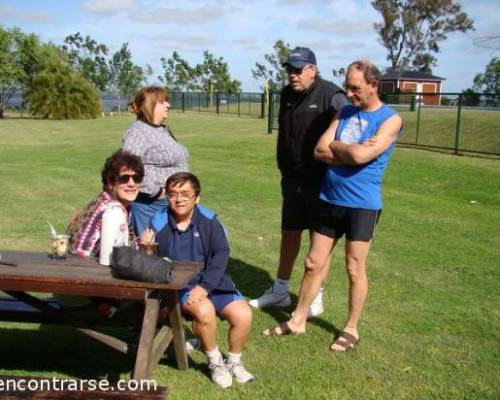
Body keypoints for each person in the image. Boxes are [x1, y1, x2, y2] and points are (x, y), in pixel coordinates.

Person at [263, 60, 403, 354]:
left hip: (362, 205)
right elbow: (320, 150)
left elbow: (364, 157)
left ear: (373, 85)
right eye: (348, 87)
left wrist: (343, 150)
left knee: (354, 267)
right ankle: (298, 319)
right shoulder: (344, 113)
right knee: (313, 263)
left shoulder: (391, 120)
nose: (350, 94)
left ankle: (351, 328)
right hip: (329, 198)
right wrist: (350, 151)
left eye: (355, 88)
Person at [249, 47, 349, 316]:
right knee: (290, 233)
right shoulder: (286, 94)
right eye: (289, 70)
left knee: (320, 241)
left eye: (297, 69)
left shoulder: (332, 94)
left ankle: (316, 294)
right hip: (292, 179)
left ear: (312, 70)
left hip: (322, 180)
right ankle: (280, 291)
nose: (292, 75)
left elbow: (352, 121)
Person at [143, 172, 254, 389]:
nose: (179, 199)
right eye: (173, 194)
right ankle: (214, 362)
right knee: (204, 311)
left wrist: (205, 286)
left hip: (212, 281)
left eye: (185, 194)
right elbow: (151, 263)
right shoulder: (158, 222)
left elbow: (221, 255)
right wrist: (146, 248)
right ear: (166, 196)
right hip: (180, 286)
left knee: (243, 315)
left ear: (197, 197)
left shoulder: (210, 220)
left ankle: (234, 361)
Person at [62, 149, 144, 310]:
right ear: (111, 181)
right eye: (124, 178)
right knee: (158, 297)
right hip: (85, 293)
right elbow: (113, 260)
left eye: (137, 178)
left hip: (69, 287)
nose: (132, 183)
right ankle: (147, 332)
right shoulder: (113, 211)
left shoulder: (99, 201)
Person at [123, 86, 189, 236]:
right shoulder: (138, 132)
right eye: (162, 102)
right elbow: (127, 168)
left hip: (172, 201)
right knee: (153, 252)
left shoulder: (160, 130)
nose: (168, 105)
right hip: (152, 205)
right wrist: (156, 192)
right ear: (149, 104)